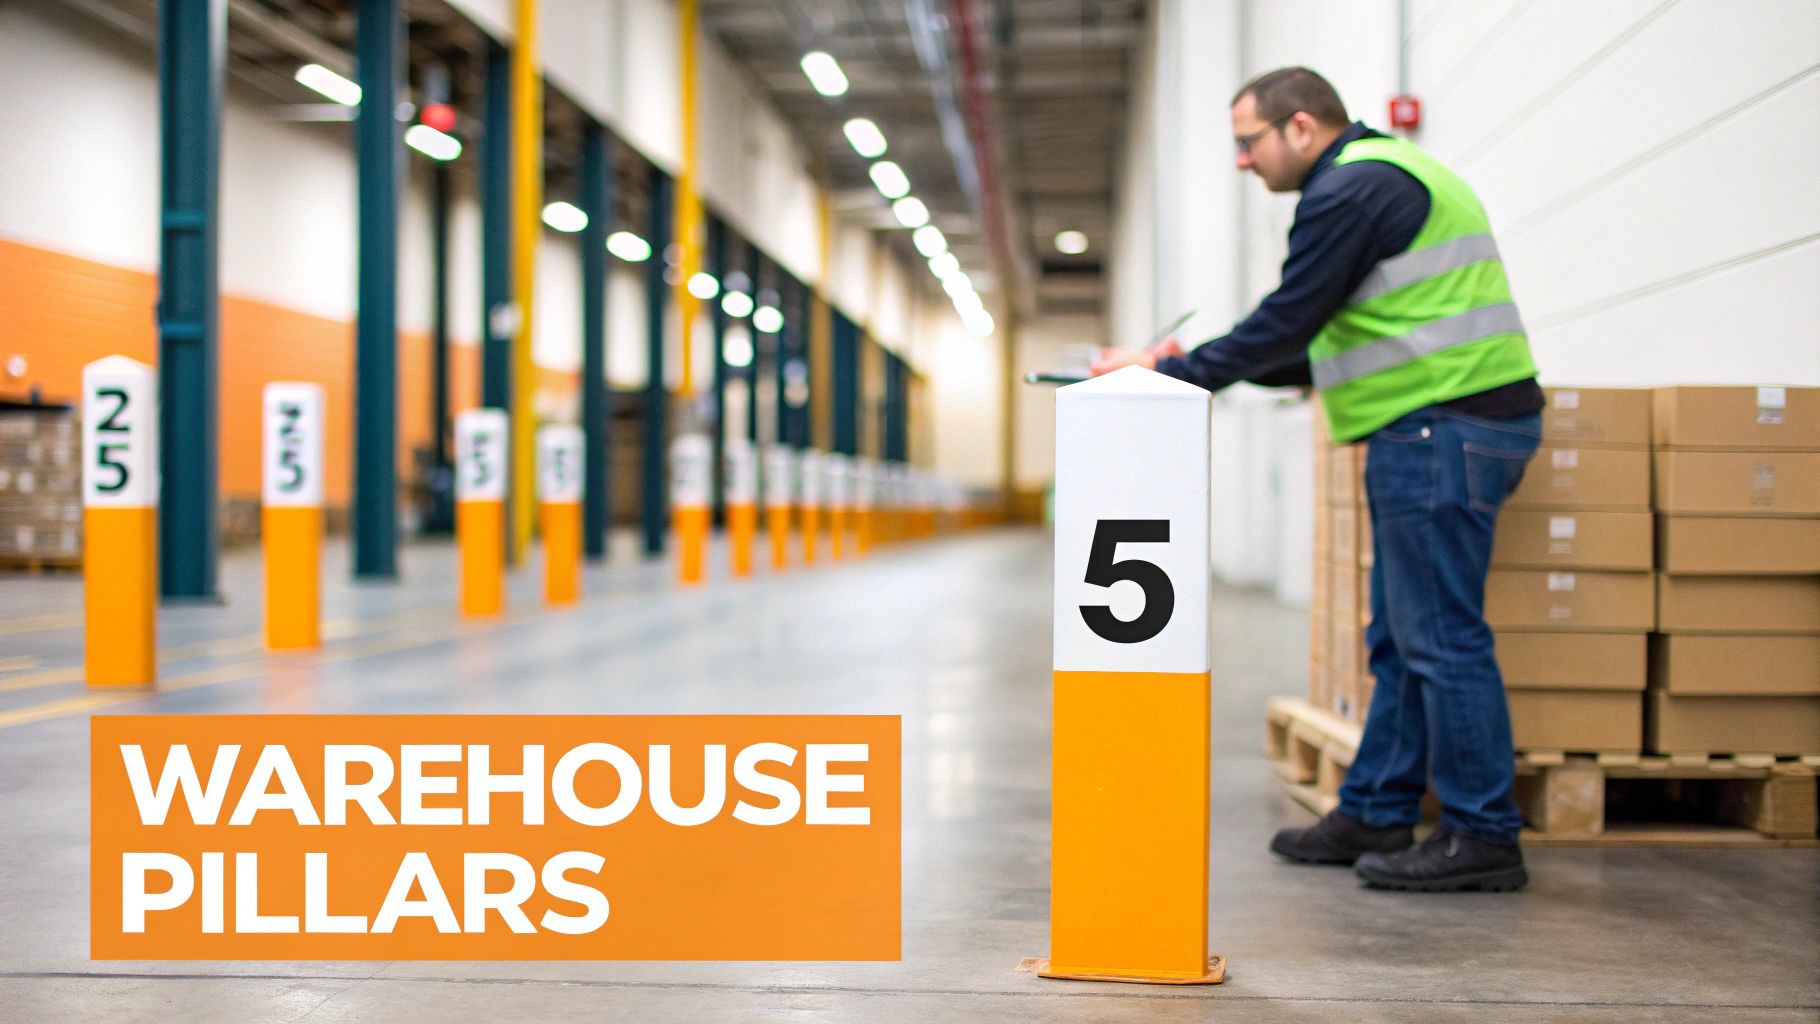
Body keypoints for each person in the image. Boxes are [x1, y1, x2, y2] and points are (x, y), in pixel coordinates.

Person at [1092, 67, 1544, 892]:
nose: (1241, 161)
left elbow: (1285, 321)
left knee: (1440, 636)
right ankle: (1376, 806)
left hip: (1444, 424)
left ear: (1301, 128)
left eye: (1247, 142)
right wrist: (1178, 361)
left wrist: (1172, 374)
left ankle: (1484, 834)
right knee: (1405, 635)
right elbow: (1309, 347)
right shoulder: (1394, 173)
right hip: (1448, 422)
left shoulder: (1349, 191)